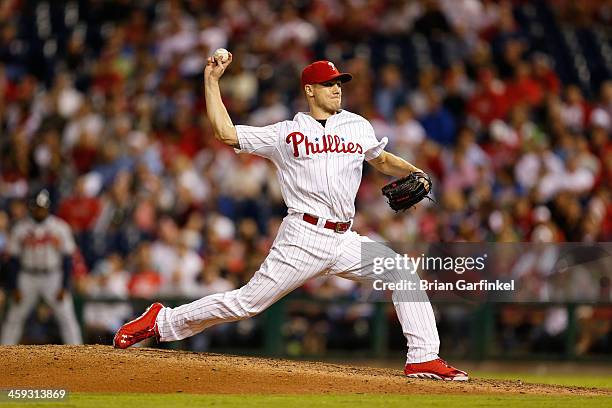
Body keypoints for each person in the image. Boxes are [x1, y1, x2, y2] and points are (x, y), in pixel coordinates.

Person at [114, 55, 468, 381]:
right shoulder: (286, 132)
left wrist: (414, 169)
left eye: (339, 83)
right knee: (246, 303)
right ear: (310, 90)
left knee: (401, 270)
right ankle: (161, 321)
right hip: (303, 237)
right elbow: (226, 132)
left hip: (344, 239)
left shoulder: (357, 126)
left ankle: (423, 356)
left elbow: (380, 159)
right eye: (330, 84)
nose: (337, 89)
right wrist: (211, 80)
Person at [1, 190, 83, 345]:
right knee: (14, 317)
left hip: (53, 276)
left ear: (48, 208)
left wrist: (64, 285)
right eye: (37, 207)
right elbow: (12, 260)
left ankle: (78, 353)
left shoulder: (59, 227)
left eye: (43, 207)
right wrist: (14, 287)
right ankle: (4, 353)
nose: (40, 211)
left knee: (66, 317)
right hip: (27, 277)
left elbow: (67, 259)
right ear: (31, 208)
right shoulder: (20, 228)